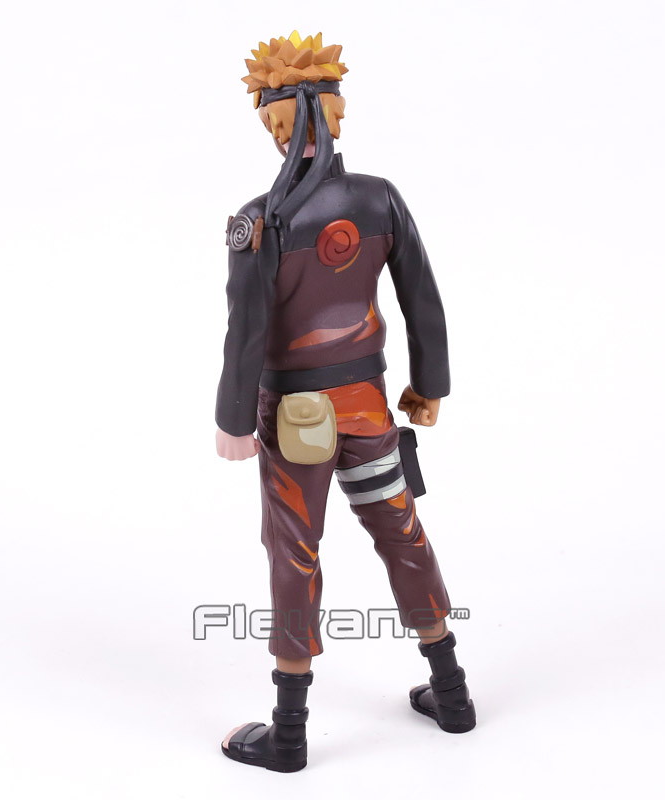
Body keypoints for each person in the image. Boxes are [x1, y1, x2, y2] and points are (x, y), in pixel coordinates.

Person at [215, 31, 476, 772]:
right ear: (335, 114)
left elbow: (246, 328)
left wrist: (232, 419)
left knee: (294, 552)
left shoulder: (259, 219)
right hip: (367, 408)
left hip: (295, 417)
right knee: (401, 532)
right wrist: (429, 386)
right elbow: (424, 300)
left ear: (274, 125)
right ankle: (452, 694)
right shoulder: (379, 199)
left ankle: (289, 733)